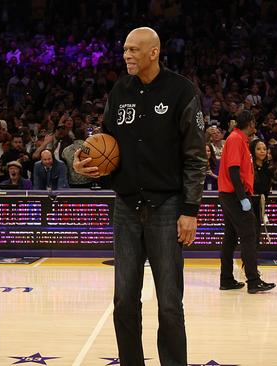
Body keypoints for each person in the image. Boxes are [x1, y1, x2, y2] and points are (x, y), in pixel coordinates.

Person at [72, 27, 206, 366]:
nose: (127, 55)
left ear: (154, 52)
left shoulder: (181, 91)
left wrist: (190, 209)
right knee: (124, 301)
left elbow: (196, 156)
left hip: (167, 207)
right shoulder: (120, 91)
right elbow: (105, 143)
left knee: (170, 303)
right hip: (127, 208)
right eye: (125, 50)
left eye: (134, 50)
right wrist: (83, 158)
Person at [217, 110, 276, 293]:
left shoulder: (239, 139)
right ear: (250, 123)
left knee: (231, 237)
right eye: (254, 123)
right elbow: (234, 171)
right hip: (234, 195)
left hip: (231, 194)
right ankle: (253, 280)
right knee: (249, 235)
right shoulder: (236, 139)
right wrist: (243, 197)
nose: (255, 126)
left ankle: (226, 279)